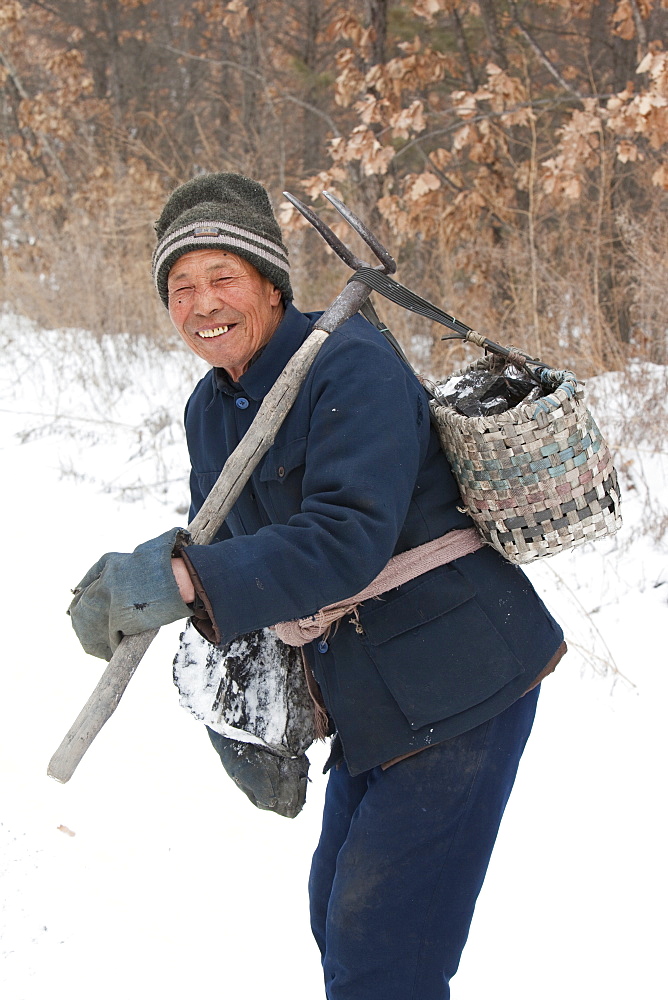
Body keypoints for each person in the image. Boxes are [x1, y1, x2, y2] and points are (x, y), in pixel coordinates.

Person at [69, 172, 566, 1000]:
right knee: (334, 914)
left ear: (271, 284)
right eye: (181, 287)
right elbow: (237, 567)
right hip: (369, 695)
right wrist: (246, 715)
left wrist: (185, 576)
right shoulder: (211, 409)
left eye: (222, 277)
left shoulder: (349, 368)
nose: (201, 304)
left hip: (462, 676)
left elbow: (345, 542)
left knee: (383, 951)